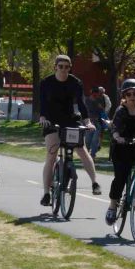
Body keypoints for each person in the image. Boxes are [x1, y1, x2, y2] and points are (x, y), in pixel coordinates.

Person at [38, 54, 100, 206]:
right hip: (51, 120)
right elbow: (43, 102)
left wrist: (88, 122)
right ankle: (46, 193)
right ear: (55, 67)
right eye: (61, 66)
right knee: (51, 155)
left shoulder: (75, 82)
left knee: (82, 150)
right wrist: (43, 117)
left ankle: (95, 183)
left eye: (67, 67)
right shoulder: (46, 82)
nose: (64, 69)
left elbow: (81, 103)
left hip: (70, 119)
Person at [106, 79, 135, 224]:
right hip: (121, 147)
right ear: (124, 96)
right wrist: (117, 137)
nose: (132, 96)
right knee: (121, 177)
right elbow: (115, 127)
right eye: (129, 94)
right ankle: (112, 206)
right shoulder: (121, 110)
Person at [85, 86, 107, 158]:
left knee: (95, 140)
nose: (95, 94)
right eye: (94, 93)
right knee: (88, 140)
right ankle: (86, 154)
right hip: (89, 122)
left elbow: (103, 110)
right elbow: (85, 111)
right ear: (91, 93)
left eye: (96, 93)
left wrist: (101, 107)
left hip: (97, 122)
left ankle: (92, 155)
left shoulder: (99, 100)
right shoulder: (87, 100)